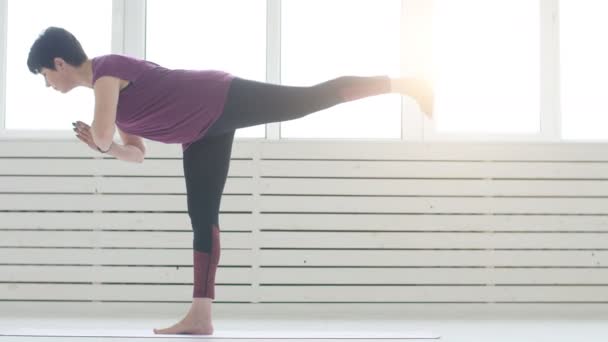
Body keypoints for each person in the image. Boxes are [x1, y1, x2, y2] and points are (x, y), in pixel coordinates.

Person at [27, 26, 434, 336]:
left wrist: (100, 144)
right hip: (200, 132)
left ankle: (405, 84)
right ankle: (201, 315)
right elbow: (136, 153)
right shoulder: (105, 94)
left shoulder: (106, 73)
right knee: (202, 215)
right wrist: (109, 148)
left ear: (59, 63)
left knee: (306, 100)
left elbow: (101, 137)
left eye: (45, 74)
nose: (47, 84)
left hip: (217, 97)